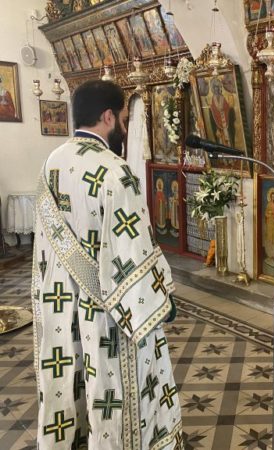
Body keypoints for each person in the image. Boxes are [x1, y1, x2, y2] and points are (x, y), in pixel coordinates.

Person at [31, 80, 181, 449]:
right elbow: (134, 251)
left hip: (60, 301)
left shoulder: (52, 162)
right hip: (109, 309)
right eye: (125, 120)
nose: (125, 129)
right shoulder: (116, 171)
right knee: (113, 385)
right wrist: (163, 298)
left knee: (72, 374)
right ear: (109, 117)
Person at [209, 77, 236, 148]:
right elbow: (213, 111)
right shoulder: (213, 100)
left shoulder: (223, 98)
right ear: (213, 89)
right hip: (217, 124)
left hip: (225, 123)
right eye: (215, 87)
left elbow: (227, 108)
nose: (217, 89)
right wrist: (212, 109)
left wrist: (229, 107)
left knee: (228, 139)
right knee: (220, 140)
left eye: (218, 87)